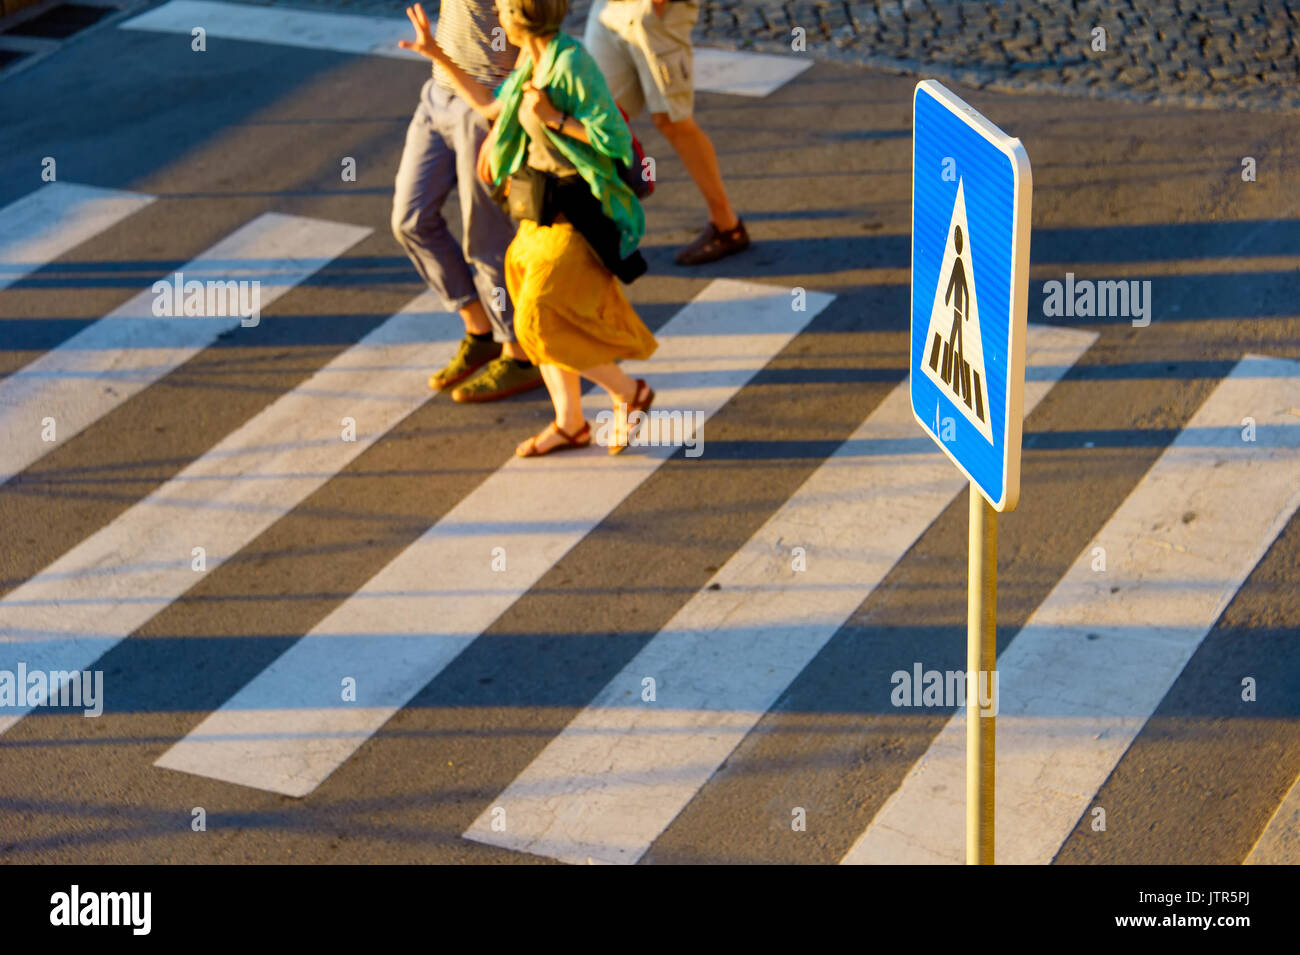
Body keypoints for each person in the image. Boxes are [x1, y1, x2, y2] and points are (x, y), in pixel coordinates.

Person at [401, 0, 658, 457]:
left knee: (536, 324)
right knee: (542, 319)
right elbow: (487, 105)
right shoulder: (529, 66)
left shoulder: (570, 62)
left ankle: (627, 391)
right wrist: (435, 54)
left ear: (521, 18)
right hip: (539, 218)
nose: (495, 17)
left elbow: (614, 138)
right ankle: (571, 422)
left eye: (501, 10)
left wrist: (554, 118)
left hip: (576, 217)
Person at [393, 0, 543, 402]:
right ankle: (480, 330)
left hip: (485, 106)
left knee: (486, 241)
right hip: (439, 92)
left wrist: (503, 120)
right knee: (410, 221)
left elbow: (533, 36)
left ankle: (519, 353)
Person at [584, 0, 749, 265]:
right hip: (606, 8)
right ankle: (604, 226)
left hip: (654, 13)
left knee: (672, 122)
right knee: (595, 113)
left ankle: (727, 224)